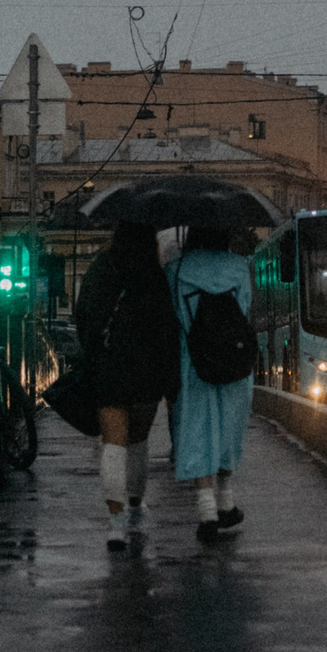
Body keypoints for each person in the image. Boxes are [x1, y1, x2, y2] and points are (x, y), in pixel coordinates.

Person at [74, 220, 180, 550]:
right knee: (137, 443)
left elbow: (84, 316)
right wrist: (169, 378)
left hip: (109, 367)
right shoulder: (155, 274)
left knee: (113, 446)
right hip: (147, 371)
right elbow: (167, 328)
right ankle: (135, 503)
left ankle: (116, 523)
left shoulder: (100, 268)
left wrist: (94, 353)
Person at [166, 221, 254, 543]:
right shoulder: (240, 266)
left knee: (198, 429)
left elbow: (175, 315)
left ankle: (206, 511)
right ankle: (226, 500)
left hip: (195, 364)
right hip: (234, 362)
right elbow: (244, 308)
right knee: (230, 428)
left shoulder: (176, 269)